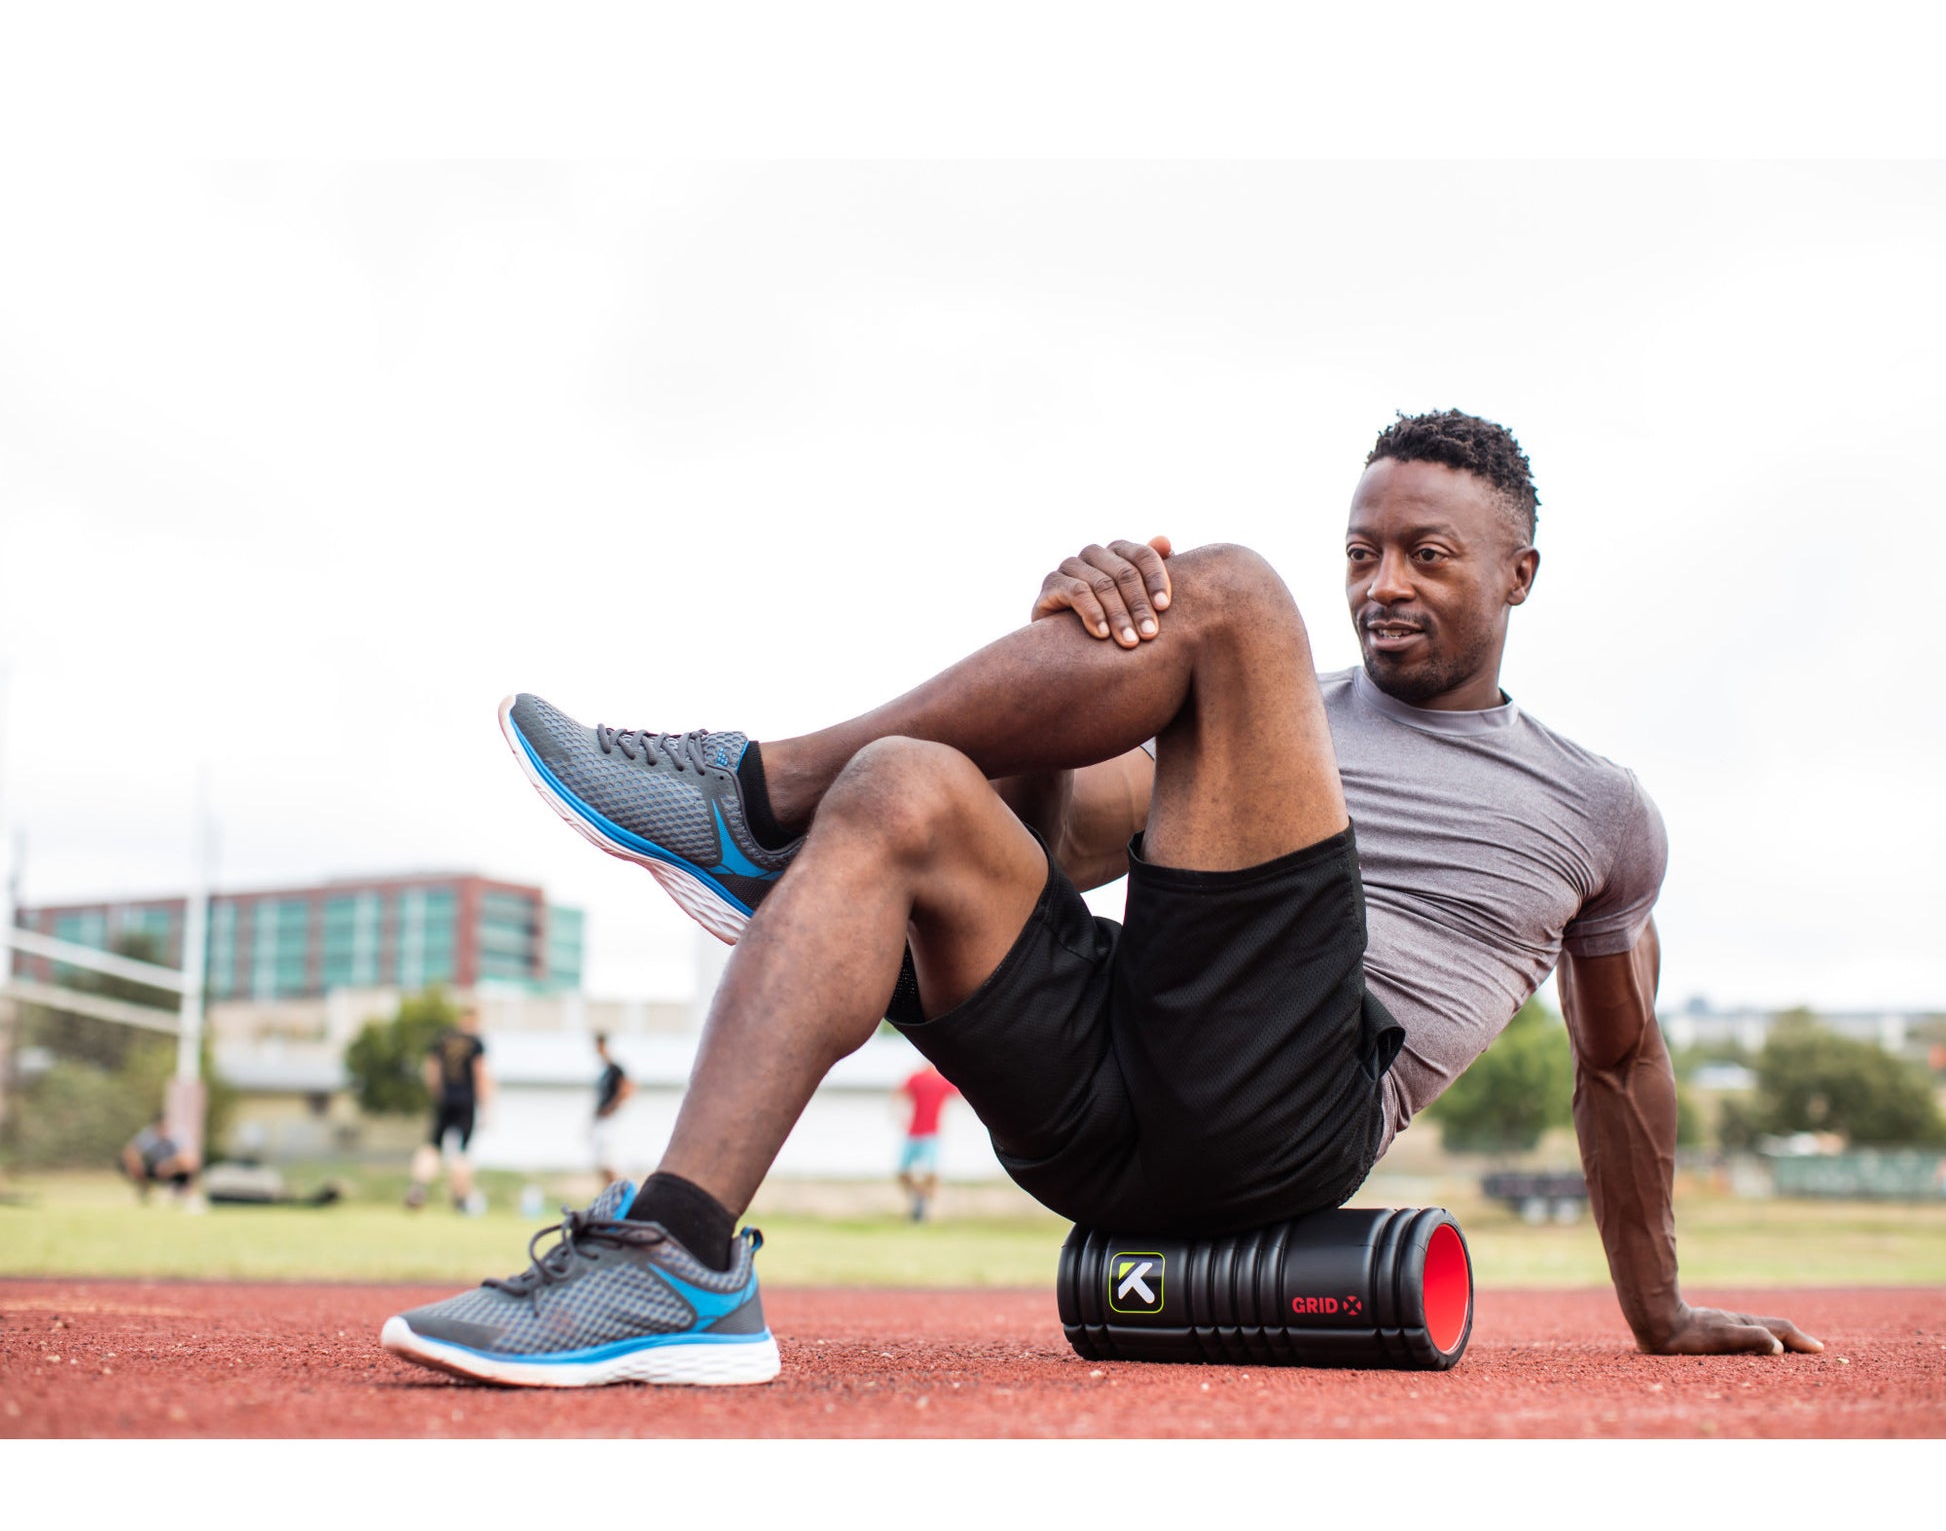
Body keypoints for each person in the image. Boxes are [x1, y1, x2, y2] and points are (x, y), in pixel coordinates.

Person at [382, 409, 1824, 1387]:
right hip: (1100, 1115)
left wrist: (1659, 1309)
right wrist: (1063, 648)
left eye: (1425, 555)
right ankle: (676, 1257)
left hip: (1289, 1118)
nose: (1380, 583)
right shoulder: (1259, 717)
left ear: (1519, 574)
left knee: (1229, 594)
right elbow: (1050, 851)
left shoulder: (1592, 805)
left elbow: (1619, 1061)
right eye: (1361, 552)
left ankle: (756, 800)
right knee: (903, 788)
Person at [405, 1002, 491, 1213]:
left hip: (445, 1100)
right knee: (462, 1151)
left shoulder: (443, 1039)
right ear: (475, 1020)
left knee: (432, 1146)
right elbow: (480, 1073)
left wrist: (439, 1093)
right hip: (466, 1101)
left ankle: (418, 1188)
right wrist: (485, 1106)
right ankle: (460, 1198)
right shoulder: (475, 1042)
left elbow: (431, 1070)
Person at [895, 1063, 956, 1221]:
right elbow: (899, 1094)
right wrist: (900, 1114)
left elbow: (959, 1094)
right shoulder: (916, 1078)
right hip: (913, 1132)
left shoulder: (942, 1080)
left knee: (931, 1173)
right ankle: (915, 1200)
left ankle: (927, 1207)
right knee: (903, 1172)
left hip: (931, 1133)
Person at [589, 1032, 635, 1188]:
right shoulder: (605, 1072)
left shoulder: (616, 1069)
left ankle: (618, 1193)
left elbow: (628, 1088)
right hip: (601, 1121)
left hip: (609, 1122)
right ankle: (608, 1192)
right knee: (601, 1162)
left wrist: (611, 1108)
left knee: (608, 1162)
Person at [122, 1113, 195, 1202]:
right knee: (134, 1164)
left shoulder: (177, 1136)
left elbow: (187, 1157)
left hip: (173, 1169)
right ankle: (145, 1190)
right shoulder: (148, 1136)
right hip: (153, 1168)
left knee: (187, 1165)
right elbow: (130, 1151)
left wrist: (169, 1166)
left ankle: (181, 1192)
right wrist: (138, 1165)